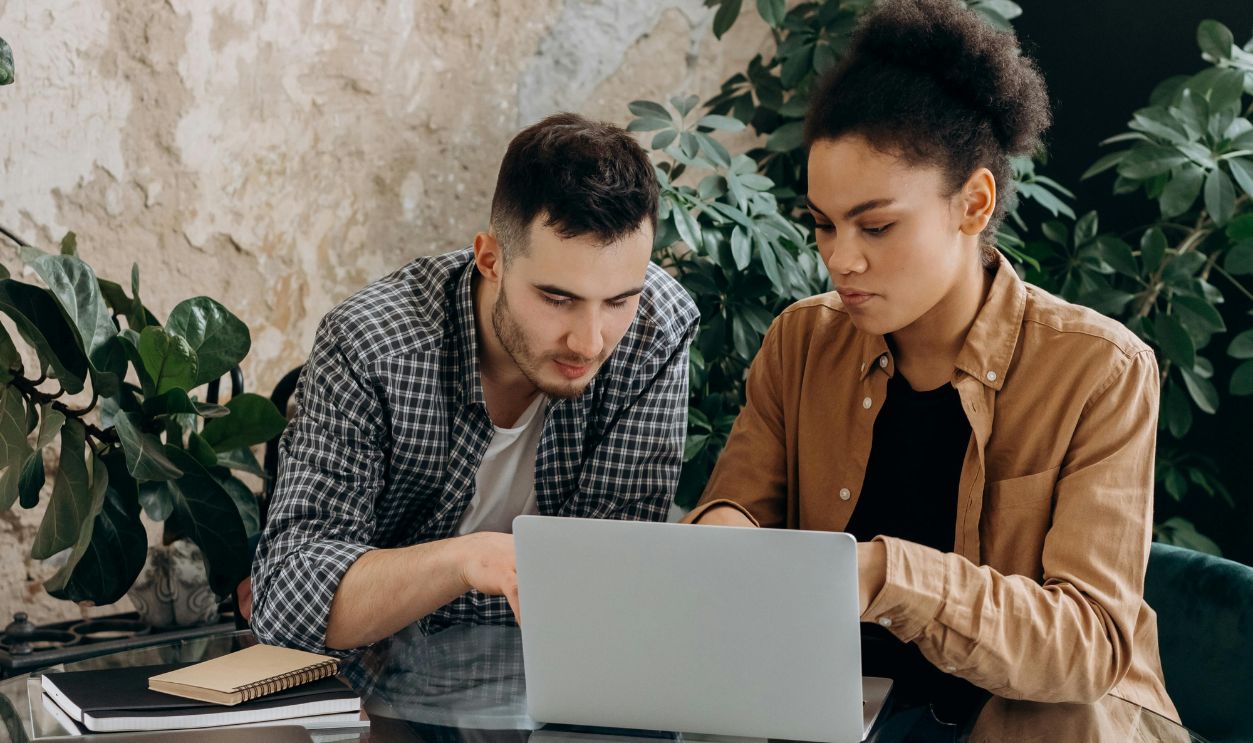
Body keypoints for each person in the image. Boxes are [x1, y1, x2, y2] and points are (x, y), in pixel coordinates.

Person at [685, 0, 1178, 723]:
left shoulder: (1098, 369)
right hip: (834, 715)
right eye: (822, 224)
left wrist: (884, 576)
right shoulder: (800, 341)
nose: (839, 259)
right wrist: (722, 533)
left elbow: (1088, 646)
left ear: (973, 203)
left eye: (876, 225)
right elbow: (739, 503)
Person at [251, 112, 699, 654]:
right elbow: (288, 601)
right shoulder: (372, 344)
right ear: (490, 258)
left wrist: (392, 590)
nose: (590, 341)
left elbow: (607, 584)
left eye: (619, 300)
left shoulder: (657, 327)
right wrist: (471, 560)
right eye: (557, 299)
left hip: (559, 689)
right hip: (377, 700)